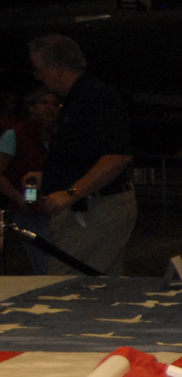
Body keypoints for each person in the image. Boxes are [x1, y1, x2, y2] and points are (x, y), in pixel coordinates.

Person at [27, 34, 135, 275]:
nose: (38, 77)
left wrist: (70, 193)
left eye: (39, 70)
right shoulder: (75, 100)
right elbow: (84, 155)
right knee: (97, 289)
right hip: (89, 208)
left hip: (94, 210)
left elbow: (117, 157)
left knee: (65, 287)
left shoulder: (96, 97)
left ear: (56, 67)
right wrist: (51, 177)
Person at [0, 87, 59, 210]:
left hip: (56, 206)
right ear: (31, 107)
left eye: (54, 104)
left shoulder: (60, 136)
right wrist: (20, 199)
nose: (50, 108)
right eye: (44, 103)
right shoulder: (15, 134)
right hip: (26, 208)